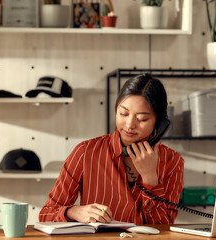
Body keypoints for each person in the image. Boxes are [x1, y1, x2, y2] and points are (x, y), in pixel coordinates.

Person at [39, 74, 184, 224]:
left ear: (159, 123)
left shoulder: (173, 161)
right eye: (123, 114)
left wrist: (150, 178)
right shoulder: (85, 152)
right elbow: (46, 214)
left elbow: (163, 227)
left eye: (142, 119)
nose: (129, 125)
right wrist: (74, 211)